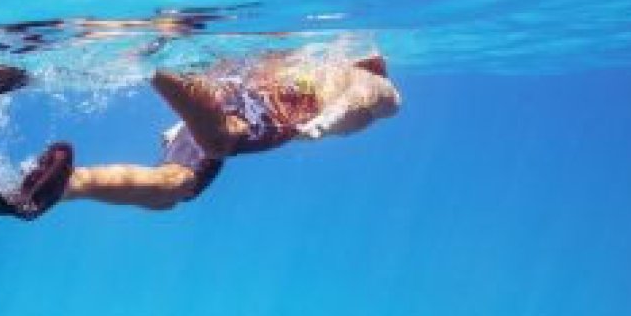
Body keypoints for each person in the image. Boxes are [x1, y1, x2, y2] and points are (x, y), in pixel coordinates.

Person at [61, 49, 401, 210]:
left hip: (227, 105)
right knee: (221, 141)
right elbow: (372, 94)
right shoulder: (353, 73)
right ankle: (149, 66)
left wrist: (326, 122)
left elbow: (376, 98)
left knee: (175, 187)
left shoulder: (355, 76)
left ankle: (67, 184)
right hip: (243, 111)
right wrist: (324, 124)